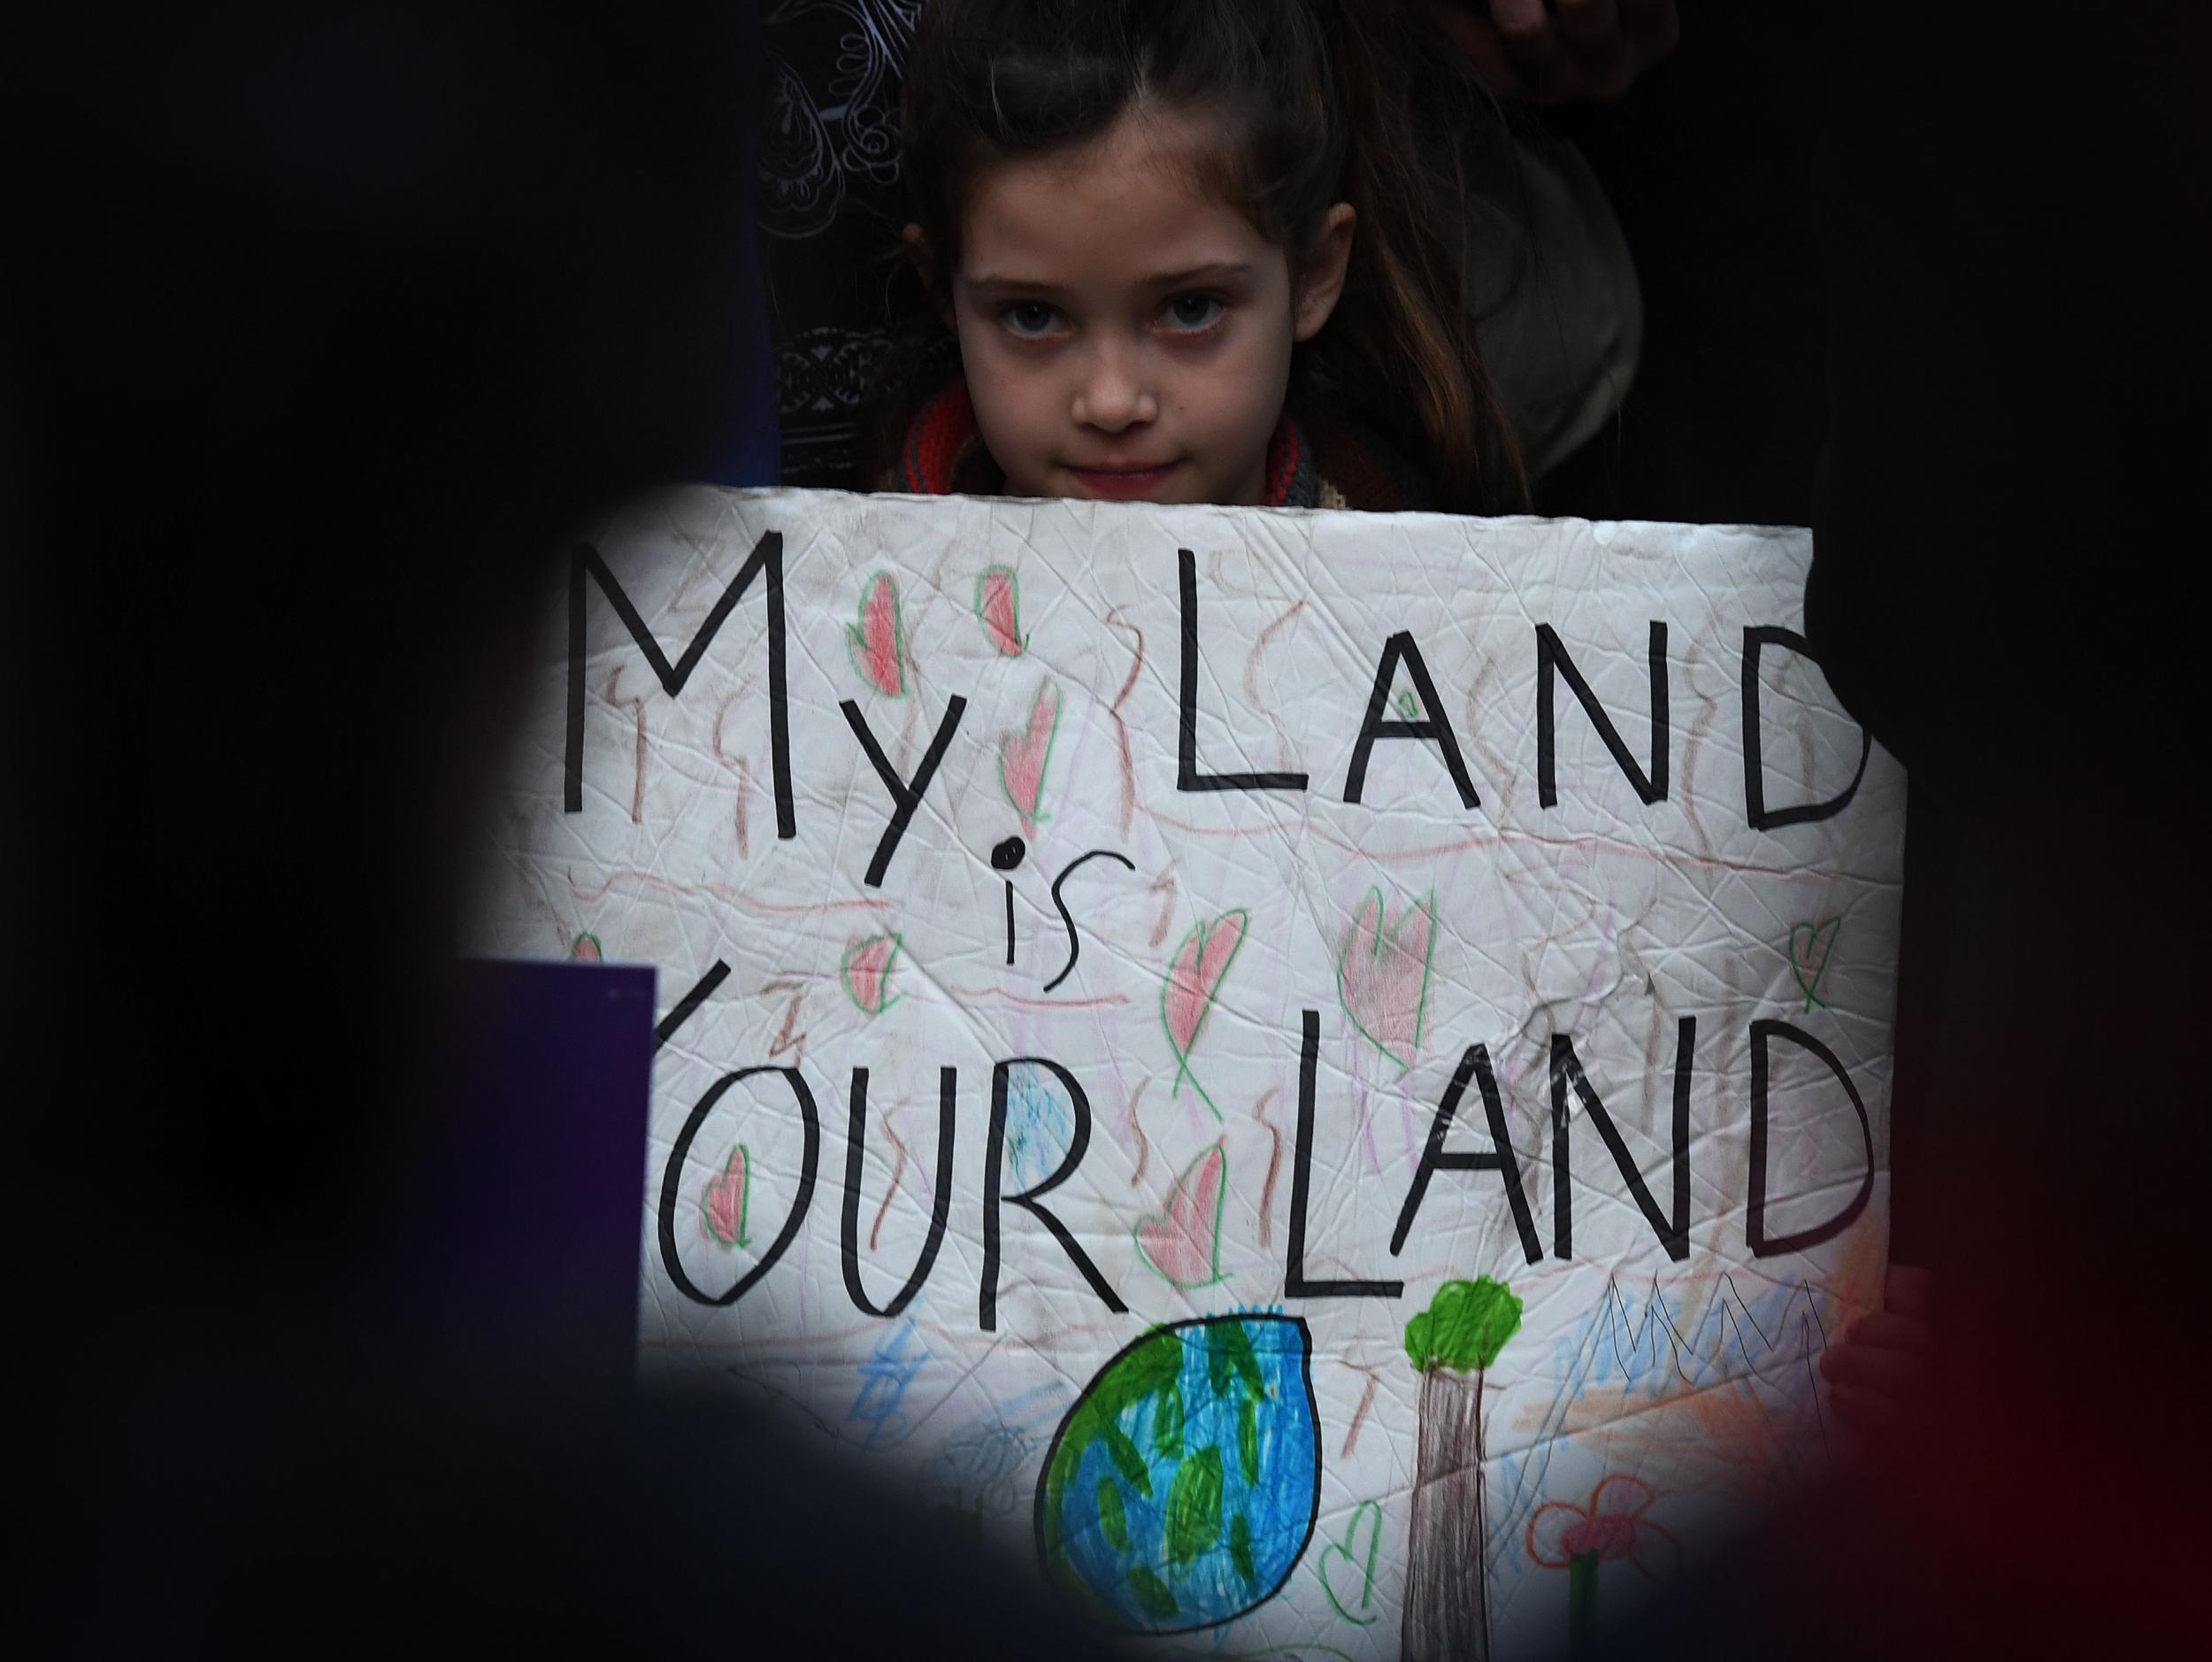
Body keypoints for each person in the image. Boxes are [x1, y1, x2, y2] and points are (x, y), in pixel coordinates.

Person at [870, 0, 1531, 512]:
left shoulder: (1395, 562)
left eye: (1190, 309)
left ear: (1313, 274)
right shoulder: (861, 573)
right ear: (943, 293)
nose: (1111, 402)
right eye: (1033, 317)